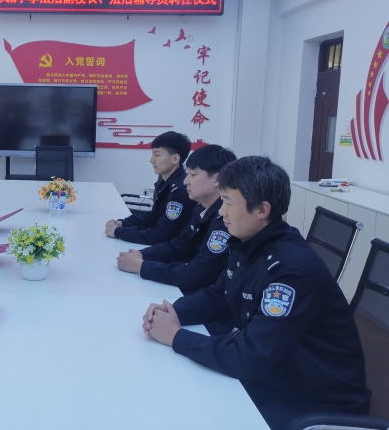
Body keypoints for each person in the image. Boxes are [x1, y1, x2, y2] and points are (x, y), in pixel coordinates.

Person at [141, 156, 370, 430]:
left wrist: (175, 335)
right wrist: (172, 311)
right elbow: (219, 295)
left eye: (228, 202)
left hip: (310, 401)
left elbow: (247, 356)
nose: (221, 212)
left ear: (262, 209)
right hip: (276, 373)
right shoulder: (250, 242)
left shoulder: (290, 272)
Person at [117, 145, 237, 295]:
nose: (186, 181)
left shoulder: (225, 220)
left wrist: (141, 266)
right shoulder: (201, 208)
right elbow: (178, 246)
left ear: (217, 179)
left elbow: (197, 275)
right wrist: (141, 255)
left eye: (193, 175)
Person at [105, 132, 195, 245]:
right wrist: (123, 223)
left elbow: (161, 235)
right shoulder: (165, 182)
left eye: (157, 155)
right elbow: (154, 217)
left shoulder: (180, 189)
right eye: (152, 154)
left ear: (175, 158)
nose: (151, 160)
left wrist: (118, 232)